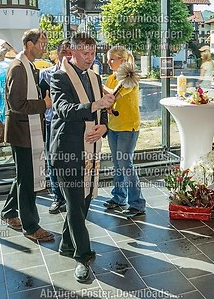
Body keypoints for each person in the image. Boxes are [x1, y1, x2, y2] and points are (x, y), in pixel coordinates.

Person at [49, 33, 115, 283]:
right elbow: (63, 110)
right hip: (67, 150)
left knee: (85, 200)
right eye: (84, 53)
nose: (89, 58)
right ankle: (82, 256)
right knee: (76, 204)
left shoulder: (96, 77)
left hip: (90, 148)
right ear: (71, 53)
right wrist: (95, 106)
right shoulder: (59, 76)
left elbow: (104, 111)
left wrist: (104, 128)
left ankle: (67, 244)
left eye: (92, 53)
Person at [0, 28, 54, 242]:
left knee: (23, 176)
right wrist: (44, 104)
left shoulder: (29, 66)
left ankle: (9, 212)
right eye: (42, 43)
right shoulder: (18, 68)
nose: (45, 47)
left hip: (27, 130)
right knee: (28, 179)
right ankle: (31, 226)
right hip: (23, 132)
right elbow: (17, 104)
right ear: (29, 45)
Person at [102, 46, 146, 217]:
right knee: (118, 164)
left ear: (123, 61)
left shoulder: (130, 78)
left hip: (128, 126)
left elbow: (112, 95)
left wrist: (98, 84)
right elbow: (109, 102)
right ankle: (119, 197)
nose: (108, 62)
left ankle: (137, 203)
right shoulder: (111, 78)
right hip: (114, 126)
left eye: (112, 59)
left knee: (125, 164)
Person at [39, 39, 71, 214]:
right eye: (64, 51)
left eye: (70, 51)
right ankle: (58, 197)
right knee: (53, 161)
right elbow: (42, 100)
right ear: (57, 53)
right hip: (53, 122)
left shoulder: (80, 74)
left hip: (73, 123)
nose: (67, 55)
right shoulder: (46, 74)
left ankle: (73, 196)